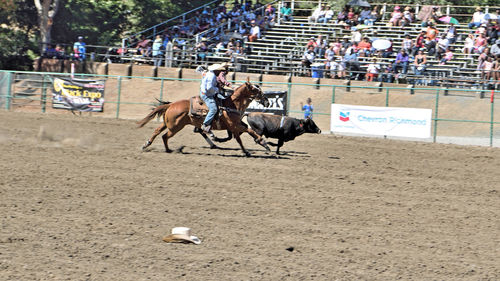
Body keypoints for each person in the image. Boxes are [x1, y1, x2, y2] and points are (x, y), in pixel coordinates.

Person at [200, 63, 224, 133]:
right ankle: (205, 124)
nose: (220, 72)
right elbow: (209, 88)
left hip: (205, 92)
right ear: (216, 70)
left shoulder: (209, 74)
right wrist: (217, 89)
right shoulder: (212, 76)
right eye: (219, 70)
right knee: (213, 109)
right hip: (207, 95)